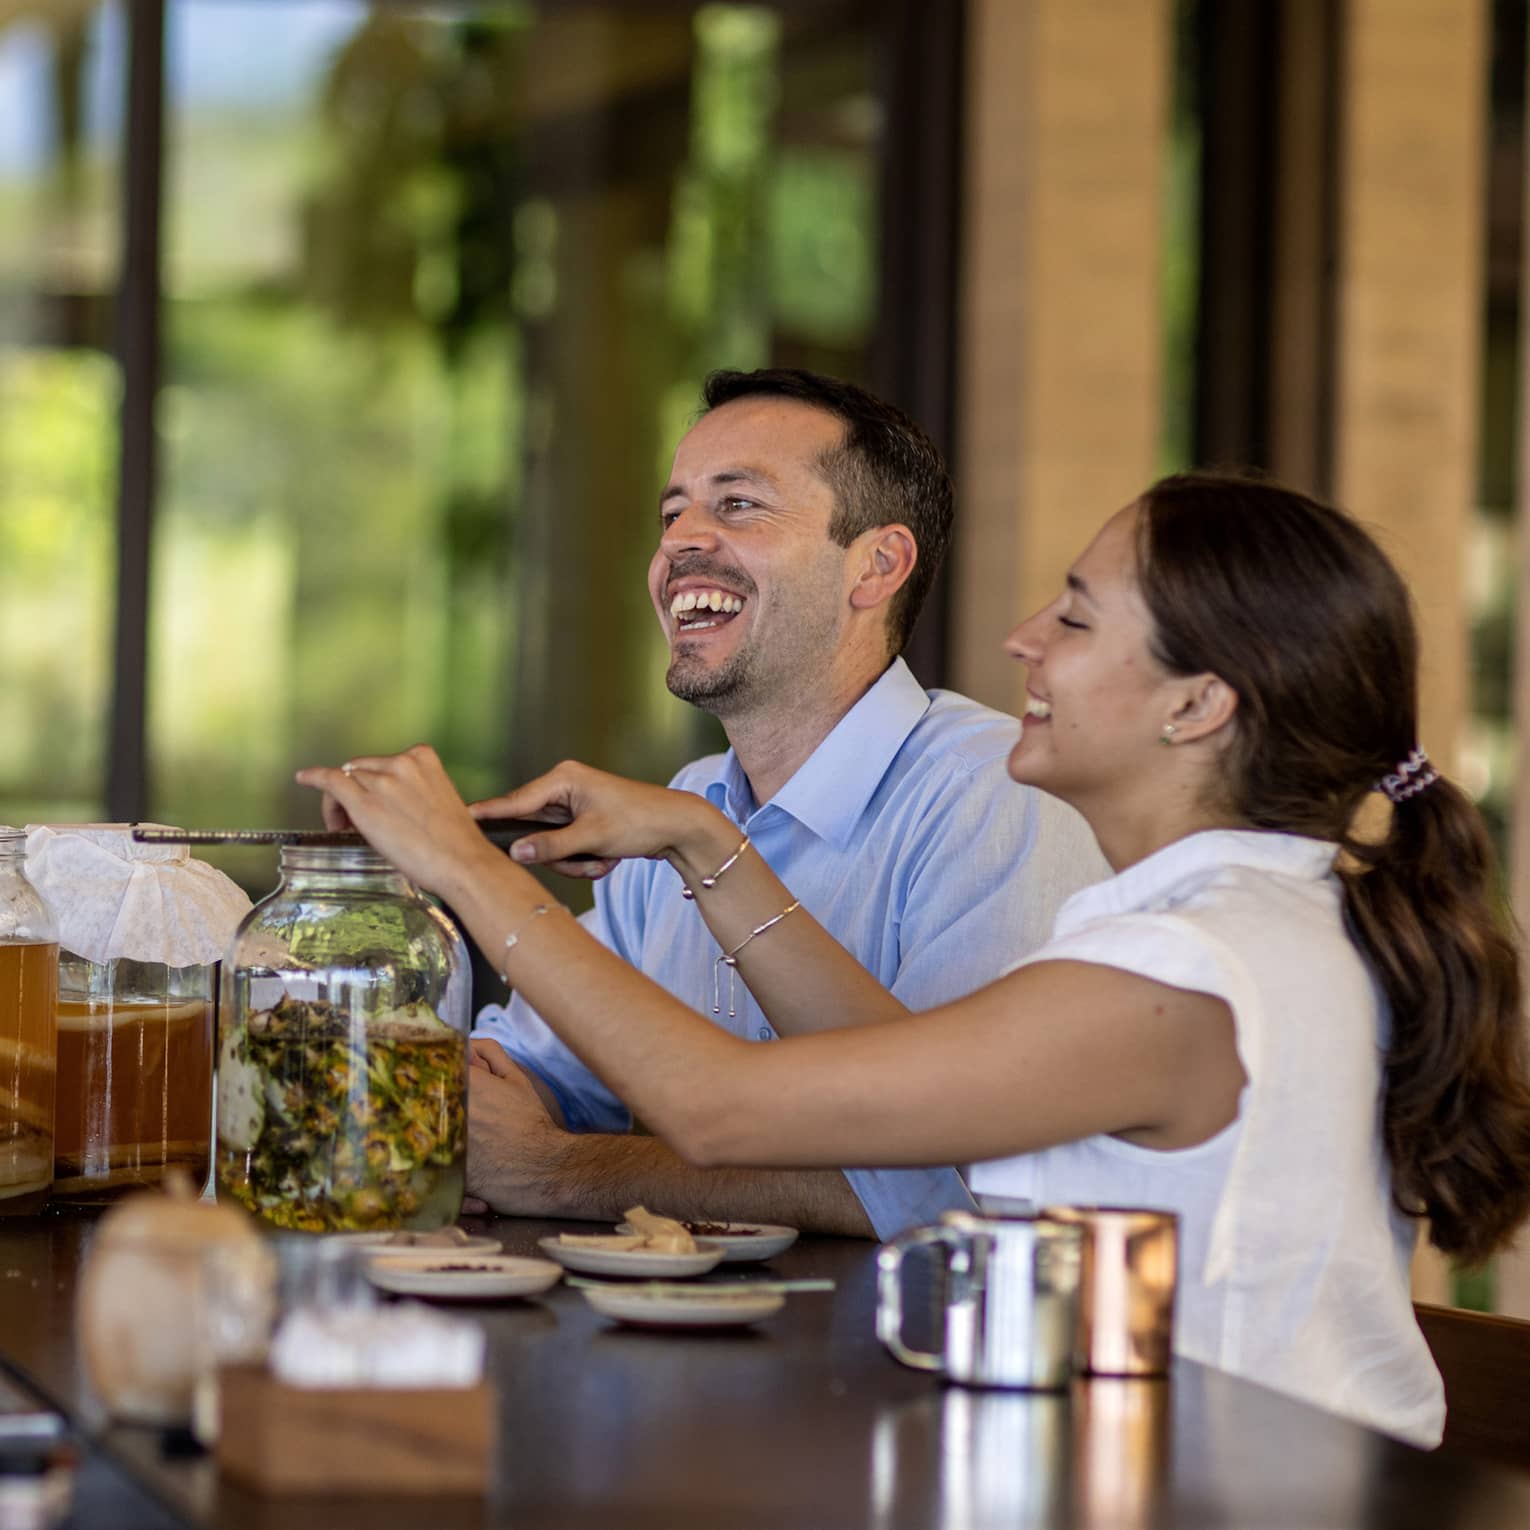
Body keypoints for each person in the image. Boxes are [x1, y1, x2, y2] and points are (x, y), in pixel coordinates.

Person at [300, 472, 1530, 1446]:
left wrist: (469, 871)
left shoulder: (1188, 972)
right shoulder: (1257, 920)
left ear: (1197, 706)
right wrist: (707, 843)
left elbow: (721, 1111)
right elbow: (901, 1081)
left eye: (1077, 616)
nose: (1020, 639)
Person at [456, 368, 1104, 1238]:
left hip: (905, 1363)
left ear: (876, 565)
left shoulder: (994, 799)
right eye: (672, 511)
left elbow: (951, 1181)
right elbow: (542, 1064)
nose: (680, 540)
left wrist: (561, 1170)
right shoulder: (688, 802)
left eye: (738, 506)